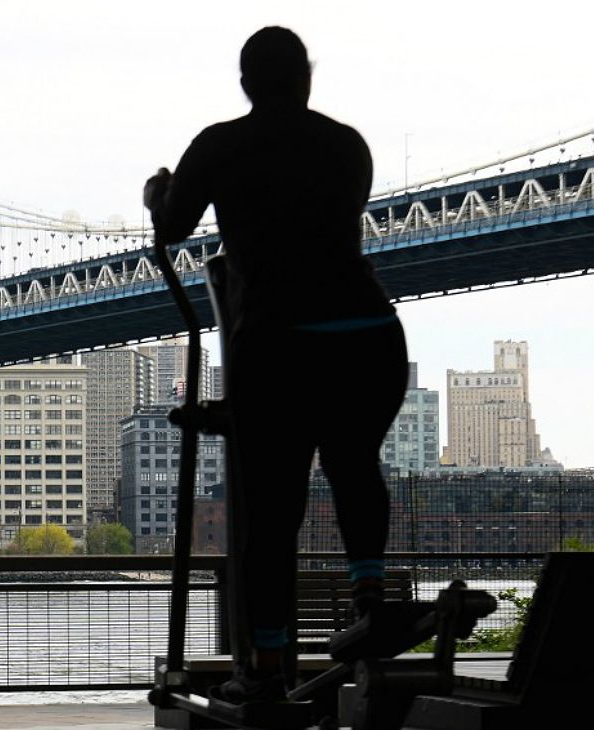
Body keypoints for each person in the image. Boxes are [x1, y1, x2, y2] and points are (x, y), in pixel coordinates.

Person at [143, 26, 409, 703]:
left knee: (273, 510)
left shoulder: (218, 144)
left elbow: (174, 226)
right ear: (306, 79)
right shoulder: (350, 145)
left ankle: (263, 667)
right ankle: (370, 595)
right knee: (354, 463)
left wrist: (158, 195)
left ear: (244, 84)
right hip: (369, 334)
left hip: (282, 345)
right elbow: (319, 221)